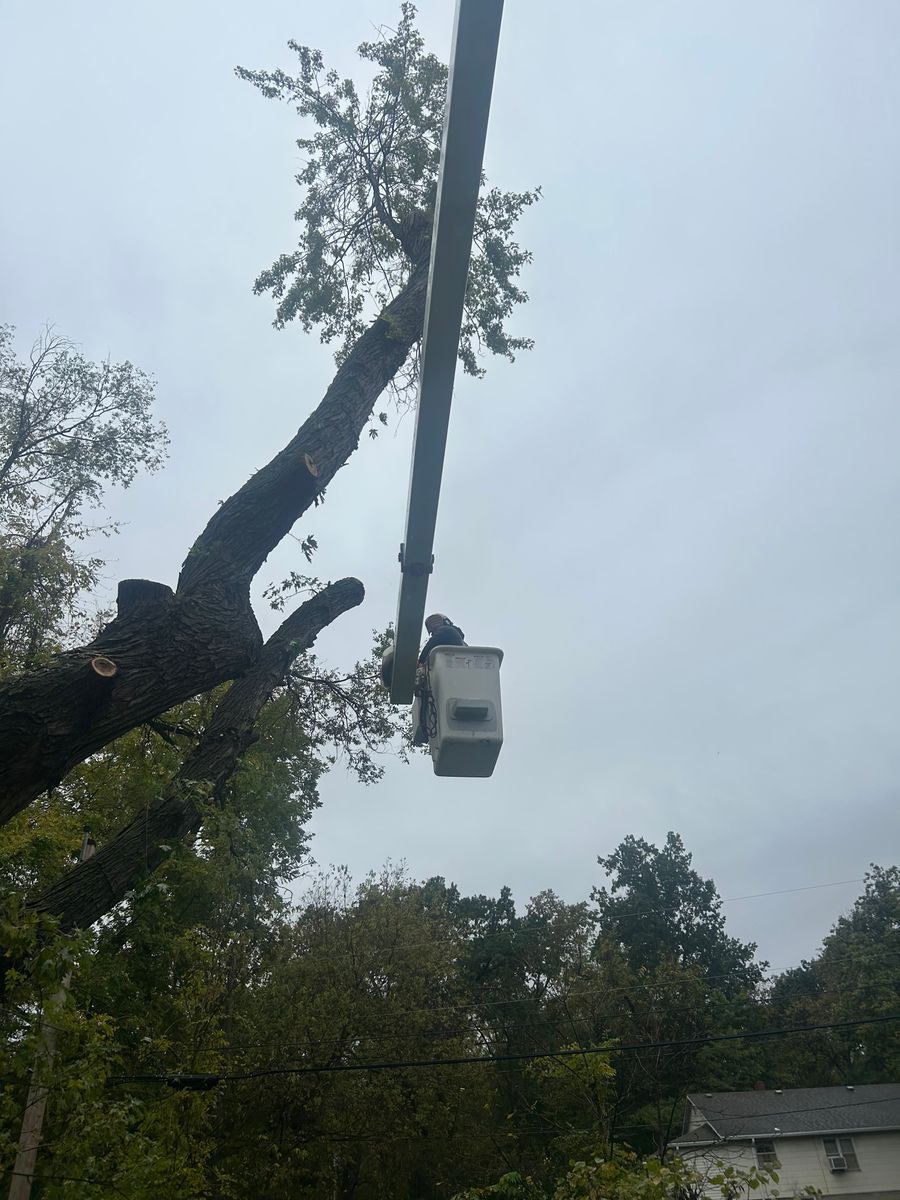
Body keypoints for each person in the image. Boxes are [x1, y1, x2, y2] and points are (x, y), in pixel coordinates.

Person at [378, 614, 466, 690]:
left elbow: (432, 642)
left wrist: (421, 660)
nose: (433, 629)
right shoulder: (455, 644)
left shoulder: (447, 630)